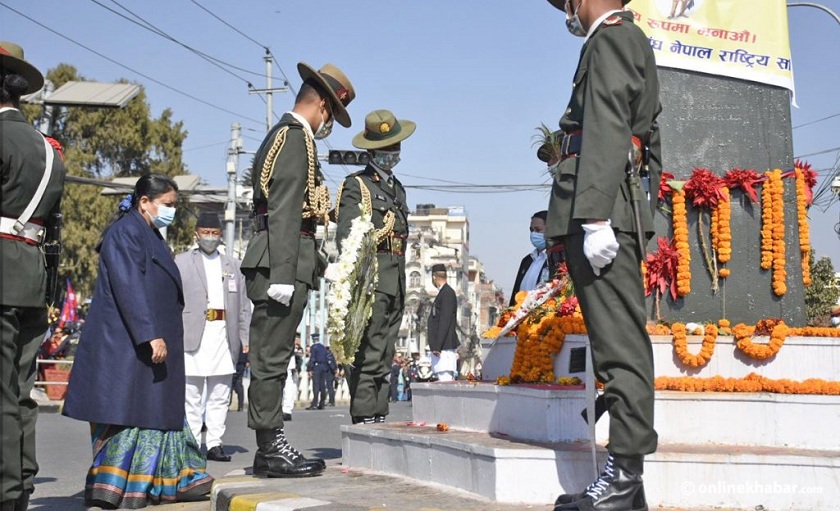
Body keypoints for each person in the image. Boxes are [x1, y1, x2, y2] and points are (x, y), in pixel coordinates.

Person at [542, 1, 662, 510]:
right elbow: (647, 142)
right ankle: (628, 489)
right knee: (614, 345)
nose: (568, 10)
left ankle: (624, 476)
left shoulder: (611, 38)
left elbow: (610, 122)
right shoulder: (620, 39)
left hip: (601, 213)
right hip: (609, 207)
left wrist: (594, 216)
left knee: (619, 350)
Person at [63, 174, 213, 508]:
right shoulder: (125, 232)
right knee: (128, 416)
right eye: (168, 205)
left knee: (155, 413)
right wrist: (150, 334)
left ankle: (172, 479)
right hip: (129, 344)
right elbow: (128, 286)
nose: (171, 211)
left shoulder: (149, 233)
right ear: (145, 202)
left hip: (145, 346)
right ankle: (114, 485)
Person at [239, 62, 355, 478]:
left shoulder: (293, 138)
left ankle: (270, 445)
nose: (330, 126)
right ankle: (270, 447)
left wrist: (313, 263)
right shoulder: (292, 138)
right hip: (277, 264)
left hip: (285, 260)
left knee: (277, 355)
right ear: (322, 104)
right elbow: (286, 211)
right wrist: (285, 277)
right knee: (271, 358)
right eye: (332, 117)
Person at [0, 41, 66, 511]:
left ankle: (4, 491)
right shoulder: (48, 148)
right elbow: (54, 231)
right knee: (21, 391)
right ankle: (20, 483)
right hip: (32, 276)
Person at [335, 109, 415, 424]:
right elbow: (348, 237)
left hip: (396, 279)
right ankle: (365, 414)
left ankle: (380, 412)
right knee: (370, 348)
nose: (391, 154)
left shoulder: (398, 188)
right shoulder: (357, 185)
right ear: (371, 151)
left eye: (395, 147)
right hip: (372, 279)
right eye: (385, 149)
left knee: (385, 350)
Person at [175, 212, 251, 463]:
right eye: (205, 233)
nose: (209, 237)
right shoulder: (182, 262)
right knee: (192, 393)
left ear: (220, 236)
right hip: (193, 332)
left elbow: (242, 306)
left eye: (214, 233)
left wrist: (244, 336)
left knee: (220, 392)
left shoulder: (233, 265)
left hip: (223, 334)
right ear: (196, 234)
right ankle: (193, 442)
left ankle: (215, 443)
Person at [509, 210, 551, 305]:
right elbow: (515, 293)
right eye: (531, 230)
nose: (533, 234)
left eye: (538, 230)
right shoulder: (527, 260)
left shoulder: (557, 258)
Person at [427, 264, 460, 382]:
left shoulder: (447, 293)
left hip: (444, 348)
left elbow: (444, 321)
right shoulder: (443, 293)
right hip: (441, 348)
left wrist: (438, 346)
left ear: (434, 277)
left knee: (445, 381)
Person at [281, 334, 303, 421]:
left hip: (281, 353)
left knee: (286, 383)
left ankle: (285, 409)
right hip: (288, 354)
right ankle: (287, 410)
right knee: (288, 383)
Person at [306, 333, 329, 410]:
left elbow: (312, 358)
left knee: (316, 385)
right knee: (322, 385)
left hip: (316, 366)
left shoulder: (314, 347)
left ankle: (314, 404)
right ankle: (322, 403)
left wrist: (310, 368)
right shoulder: (323, 347)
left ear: (313, 339)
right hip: (323, 367)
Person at [231, 345, 248, 412]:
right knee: (239, 383)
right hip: (242, 361)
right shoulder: (245, 338)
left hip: (235, 360)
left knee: (231, 385)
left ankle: (229, 404)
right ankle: (240, 406)